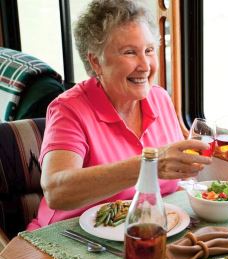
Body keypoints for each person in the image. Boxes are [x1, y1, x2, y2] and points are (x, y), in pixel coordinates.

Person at [27, 0, 211, 230]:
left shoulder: (160, 99)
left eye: (149, 50)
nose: (145, 65)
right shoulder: (69, 109)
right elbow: (56, 191)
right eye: (130, 52)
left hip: (143, 232)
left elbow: (179, 179)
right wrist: (149, 164)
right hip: (71, 238)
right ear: (96, 61)